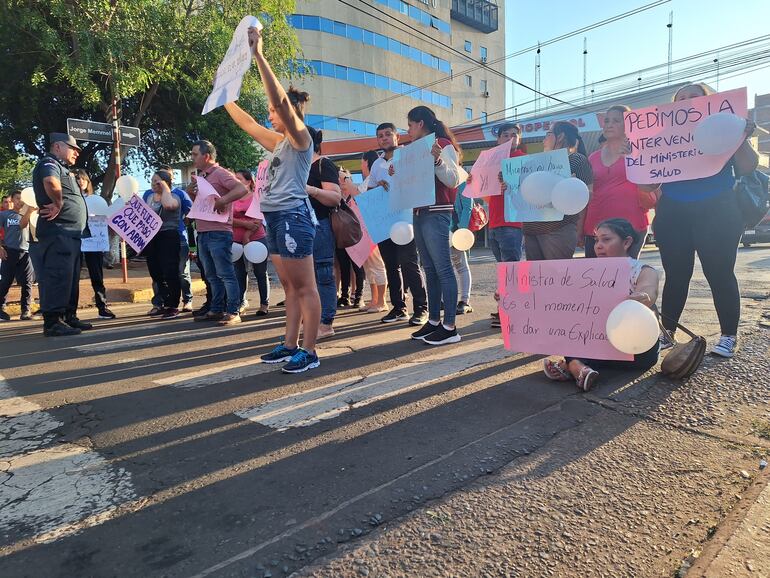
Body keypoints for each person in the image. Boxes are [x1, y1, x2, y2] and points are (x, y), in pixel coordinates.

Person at [224, 25, 321, 374]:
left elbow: (280, 100)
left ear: (290, 113)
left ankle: (309, 351)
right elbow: (248, 124)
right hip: (276, 219)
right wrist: (224, 97)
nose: (269, 113)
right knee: (291, 288)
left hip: (294, 217)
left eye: (274, 110)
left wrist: (259, 55)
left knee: (305, 286)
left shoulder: (300, 138)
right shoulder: (279, 142)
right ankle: (290, 344)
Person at [650, 82, 758, 358]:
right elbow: (649, 185)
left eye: (693, 97)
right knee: (676, 275)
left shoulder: (725, 129)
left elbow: (748, 166)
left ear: (708, 102)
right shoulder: (660, 136)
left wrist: (742, 136)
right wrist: (636, 154)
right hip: (673, 211)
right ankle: (669, 333)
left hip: (718, 209)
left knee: (720, 273)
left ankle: (728, 336)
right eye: (680, 98)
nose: (686, 101)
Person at [542, 218, 660, 391]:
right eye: (596, 240)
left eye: (606, 239)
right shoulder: (585, 273)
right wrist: (511, 297)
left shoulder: (643, 270)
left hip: (636, 350)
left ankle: (573, 367)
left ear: (626, 242)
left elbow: (649, 291)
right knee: (570, 331)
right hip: (598, 343)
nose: (598, 245)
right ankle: (580, 369)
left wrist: (638, 299)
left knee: (575, 352)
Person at [391, 106, 463, 346]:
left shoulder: (442, 143)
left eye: (410, 125)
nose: (408, 131)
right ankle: (434, 321)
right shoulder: (412, 150)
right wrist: (396, 171)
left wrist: (439, 159)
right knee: (430, 269)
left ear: (420, 123)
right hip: (420, 211)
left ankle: (450, 326)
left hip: (437, 211)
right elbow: (410, 182)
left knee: (443, 268)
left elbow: (453, 180)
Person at [29, 133, 92, 336]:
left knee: (70, 277)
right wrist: (58, 203)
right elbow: (50, 182)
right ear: (57, 147)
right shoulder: (49, 163)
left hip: (71, 233)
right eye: (73, 148)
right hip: (58, 231)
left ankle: (68, 317)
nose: (76, 153)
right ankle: (53, 322)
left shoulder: (65, 169)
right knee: (57, 275)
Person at [466, 123, 526, 328]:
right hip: (495, 222)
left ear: (519, 139)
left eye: (514, 135)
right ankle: (505, 309)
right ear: (498, 139)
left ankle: (511, 314)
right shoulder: (490, 161)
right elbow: (486, 193)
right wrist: (473, 181)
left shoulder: (521, 160)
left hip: (512, 223)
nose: (510, 138)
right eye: (505, 135)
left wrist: (511, 182)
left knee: (510, 270)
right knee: (504, 271)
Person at [369, 123, 428, 326]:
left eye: (387, 134)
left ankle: (421, 308)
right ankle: (398, 307)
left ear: (397, 137)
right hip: (384, 222)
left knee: (410, 263)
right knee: (391, 266)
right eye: (380, 136)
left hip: (405, 221)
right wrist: (377, 186)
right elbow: (370, 191)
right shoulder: (376, 165)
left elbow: (419, 182)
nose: (384, 138)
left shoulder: (408, 156)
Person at [188, 140, 248, 325]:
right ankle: (216, 309)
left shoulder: (221, 173)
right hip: (204, 231)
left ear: (206, 156)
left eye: (195, 154)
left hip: (219, 231)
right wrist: (191, 192)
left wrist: (224, 201)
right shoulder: (203, 176)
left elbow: (241, 189)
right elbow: (203, 202)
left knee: (225, 273)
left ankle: (233, 311)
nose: (193, 158)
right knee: (211, 274)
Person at [584, 106, 651, 258]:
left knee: (626, 276)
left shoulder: (640, 152)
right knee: (594, 277)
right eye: (606, 121)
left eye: (616, 121)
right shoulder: (592, 158)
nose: (609, 124)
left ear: (628, 125)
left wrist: (632, 159)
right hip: (596, 227)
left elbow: (650, 186)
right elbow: (588, 193)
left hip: (631, 225)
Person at [523, 121, 593, 261]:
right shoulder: (533, 164)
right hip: (531, 229)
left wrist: (579, 231)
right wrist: (507, 184)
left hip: (558, 229)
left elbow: (587, 196)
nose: (544, 139)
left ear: (560, 136)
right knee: (537, 279)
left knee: (557, 276)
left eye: (548, 134)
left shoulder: (576, 159)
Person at [304, 127, 341, 339]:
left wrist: (311, 190)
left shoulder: (322, 164)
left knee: (324, 274)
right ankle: (312, 320)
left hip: (320, 226)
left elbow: (335, 197)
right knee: (306, 277)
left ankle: (326, 322)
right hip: (299, 227)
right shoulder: (295, 165)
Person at [146, 165, 194, 315]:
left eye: (157, 181)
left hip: (169, 236)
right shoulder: (148, 197)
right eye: (152, 181)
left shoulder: (175, 196)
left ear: (166, 182)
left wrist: (165, 189)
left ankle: (173, 304)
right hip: (152, 238)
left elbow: (168, 205)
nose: (154, 184)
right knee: (156, 272)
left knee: (171, 271)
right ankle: (163, 301)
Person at [75, 170, 116, 319]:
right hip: (75, 243)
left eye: (82, 179)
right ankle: (71, 311)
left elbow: (106, 218)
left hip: (94, 244)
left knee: (97, 276)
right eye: (77, 179)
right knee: (73, 278)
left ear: (87, 182)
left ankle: (102, 307)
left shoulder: (96, 200)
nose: (80, 182)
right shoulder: (69, 200)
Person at [233, 169, 270, 316]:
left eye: (239, 179)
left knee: (260, 272)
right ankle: (241, 301)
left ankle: (264, 304)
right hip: (235, 240)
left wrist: (247, 234)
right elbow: (228, 218)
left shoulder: (256, 197)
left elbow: (258, 219)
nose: (235, 181)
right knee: (239, 272)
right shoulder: (231, 197)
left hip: (257, 238)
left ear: (248, 182)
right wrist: (245, 225)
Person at [0, 190, 37, 321]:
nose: (20, 201)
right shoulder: (5, 214)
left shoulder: (30, 214)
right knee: (5, 281)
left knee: (27, 283)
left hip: (26, 252)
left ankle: (25, 310)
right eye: (17, 198)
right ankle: (1, 309)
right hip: (9, 251)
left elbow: (26, 226)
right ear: (12, 200)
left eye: (22, 199)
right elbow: (22, 225)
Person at [451, 182, 473, 315]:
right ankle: (445, 300)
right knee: (446, 268)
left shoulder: (462, 182)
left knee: (461, 266)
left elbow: (467, 207)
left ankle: (465, 301)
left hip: (456, 230)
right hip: (444, 230)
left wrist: (461, 231)